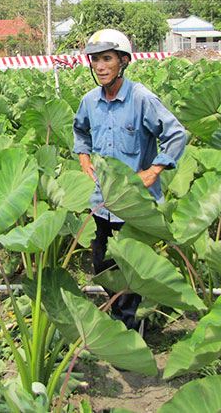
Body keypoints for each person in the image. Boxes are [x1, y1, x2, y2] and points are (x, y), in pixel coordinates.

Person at [72, 29, 187, 332]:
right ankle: (121, 321)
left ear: (123, 60)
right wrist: (83, 157)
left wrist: (154, 169)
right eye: (95, 59)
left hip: (135, 205)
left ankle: (129, 330)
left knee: (132, 269)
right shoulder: (89, 101)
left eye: (107, 59)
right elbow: (81, 132)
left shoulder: (141, 99)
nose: (100, 66)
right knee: (102, 266)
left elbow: (177, 134)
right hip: (101, 202)